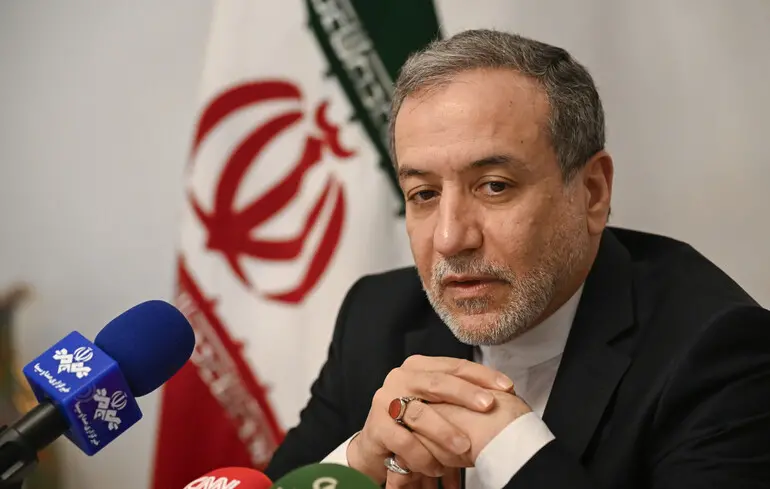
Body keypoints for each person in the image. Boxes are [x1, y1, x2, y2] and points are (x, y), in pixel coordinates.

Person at [264, 29, 770, 489]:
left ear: (592, 192)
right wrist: (358, 461)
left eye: (494, 186)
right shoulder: (376, 318)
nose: (450, 238)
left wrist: (510, 447)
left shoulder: (718, 351)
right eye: (424, 194)